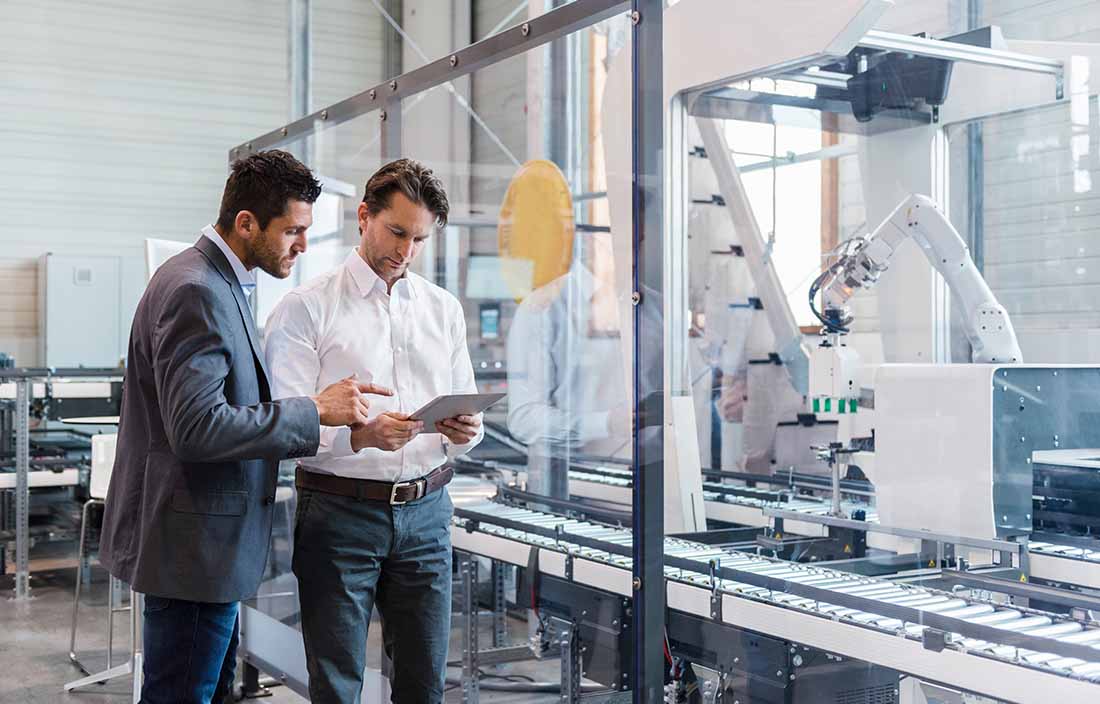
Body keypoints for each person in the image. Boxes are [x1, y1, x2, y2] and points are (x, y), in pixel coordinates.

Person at [99, 150, 389, 704]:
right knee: (181, 692)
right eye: (293, 231)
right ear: (247, 222)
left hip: (201, 546)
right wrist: (314, 410)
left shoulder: (211, 280)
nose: (302, 245)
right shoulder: (197, 290)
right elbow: (198, 428)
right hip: (193, 549)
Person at [264, 158, 484, 703]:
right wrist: (357, 437)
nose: (406, 251)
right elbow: (285, 430)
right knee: (337, 683)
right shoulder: (305, 309)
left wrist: (466, 429)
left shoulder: (443, 309)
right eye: (397, 231)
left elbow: (469, 422)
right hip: (340, 517)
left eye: (419, 239)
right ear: (364, 217)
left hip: (428, 514)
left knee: (424, 681)